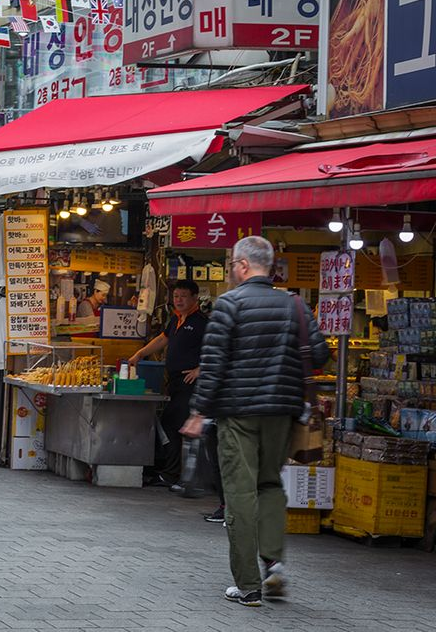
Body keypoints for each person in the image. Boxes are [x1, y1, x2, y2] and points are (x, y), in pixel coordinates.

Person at [184, 236, 329, 607]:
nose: (232, 269)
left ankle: (248, 585)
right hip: (282, 412)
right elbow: (321, 354)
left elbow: (213, 365)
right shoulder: (295, 304)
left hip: (238, 414)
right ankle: (274, 563)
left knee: (240, 494)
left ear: (244, 265)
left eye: (233, 264)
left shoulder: (230, 304)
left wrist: (199, 412)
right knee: (269, 486)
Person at [129, 280, 208, 487]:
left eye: (183, 296)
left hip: (190, 384)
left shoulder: (202, 322)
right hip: (174, 381)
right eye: (175, 296)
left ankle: (177, 476)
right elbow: (163, 339)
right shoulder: (176, 320)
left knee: (176, 426)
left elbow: (217, 349)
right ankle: (172, 473)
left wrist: (201, 369)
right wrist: (140, 353)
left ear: (194, 298)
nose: (178, 300)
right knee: (170, 425)